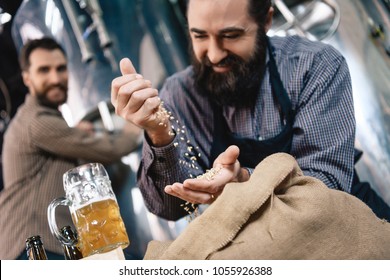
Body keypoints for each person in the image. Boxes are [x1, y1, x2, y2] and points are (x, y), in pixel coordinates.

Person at [111, 0, 390, 221]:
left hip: (348, 230)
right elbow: (171, 209)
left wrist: (246, 179)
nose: (214, 54)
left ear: (266, 21)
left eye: (230, 35)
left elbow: (328, 186)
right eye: (200, 37)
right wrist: (159, 133)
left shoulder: (313, 66)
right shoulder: (180, 95)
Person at [0, 37, 141, 260]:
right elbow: (110, 150)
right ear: (27, 77)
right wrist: (137, 126)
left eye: (61, 69)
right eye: (44, 70)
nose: (55, 78)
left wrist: (73, 132)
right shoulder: (36, 121)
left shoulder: (41, 121)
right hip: (33, 249)